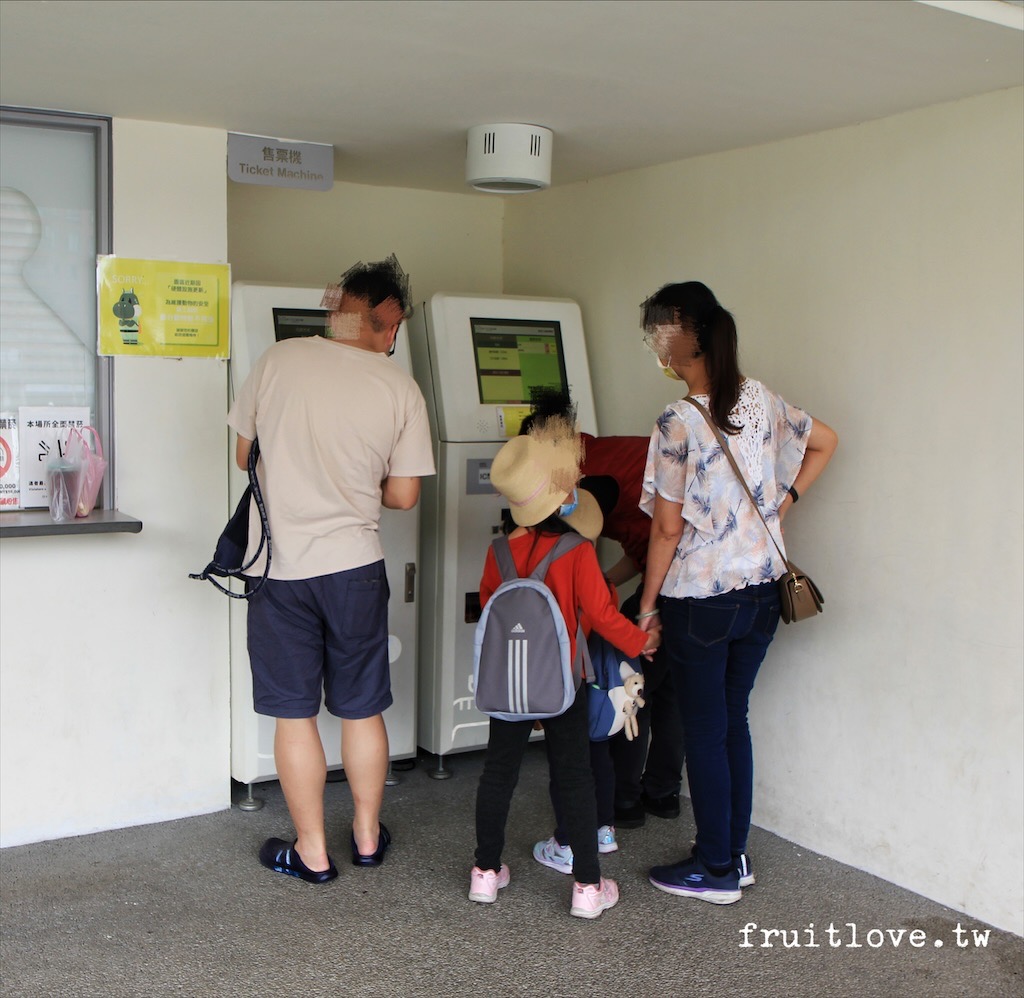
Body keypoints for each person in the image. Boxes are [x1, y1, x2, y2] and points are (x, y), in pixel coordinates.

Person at [227, 255, 435, 884]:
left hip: (281, 570)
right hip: (355, 570)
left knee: (295, 714)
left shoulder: (278, 360)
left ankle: (313, 852)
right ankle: (367, 839)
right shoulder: (399, 387)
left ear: (334, 312)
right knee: (361, 709)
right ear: (388, 324)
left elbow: (243, 455)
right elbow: (403, 496)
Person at [636, 281, 837, 904]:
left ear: (678, 331)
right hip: (760, 594)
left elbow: (667, 529)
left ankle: (716, 869)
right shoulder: (762, 399)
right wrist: (784, 500)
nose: (654, 347)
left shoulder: (678, 420)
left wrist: (645, 609)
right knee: (732, 722)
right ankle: (732, 855)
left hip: (700, 599)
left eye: (655, 334)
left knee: (704, 729)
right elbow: (826, 440)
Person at [469, 422, 660, 919]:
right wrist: (644, 641)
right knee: (574, 776)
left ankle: (485, 875)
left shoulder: (497, 553)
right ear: (564, 497)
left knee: (497, 773)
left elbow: (491, 610)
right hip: (564, 685)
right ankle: (587, 889)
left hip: (508, 683)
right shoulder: (576, 553)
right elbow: (602, 617)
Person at [521, 391, 684, 829]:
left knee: (629, 690)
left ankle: (623, 804)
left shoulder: (585, 483)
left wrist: (624, 611)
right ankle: (662, 794)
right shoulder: (597, 452)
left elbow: (573, 563)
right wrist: (609, 585)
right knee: (668, 694)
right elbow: (639, 543)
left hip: (677, 576)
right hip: (689, 575)